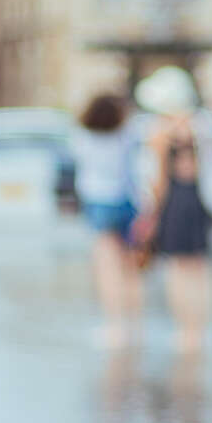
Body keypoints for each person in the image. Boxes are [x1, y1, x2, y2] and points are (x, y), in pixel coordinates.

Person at [133, 66, 212, 355]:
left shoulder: (159, 130)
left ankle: (185, 331)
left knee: (178, 269)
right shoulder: (201, 125)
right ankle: (198, 330)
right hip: (199, 201)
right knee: (200, 269)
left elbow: (157, 180)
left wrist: (150, 213)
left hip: (175, 203)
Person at [77, 92, 143, 348]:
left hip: (98, 201)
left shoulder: (83, 137)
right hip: (127, 200)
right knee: (131, 269)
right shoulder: (128, 135)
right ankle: (134, 325)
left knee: (107, 269)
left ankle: (115, 326)